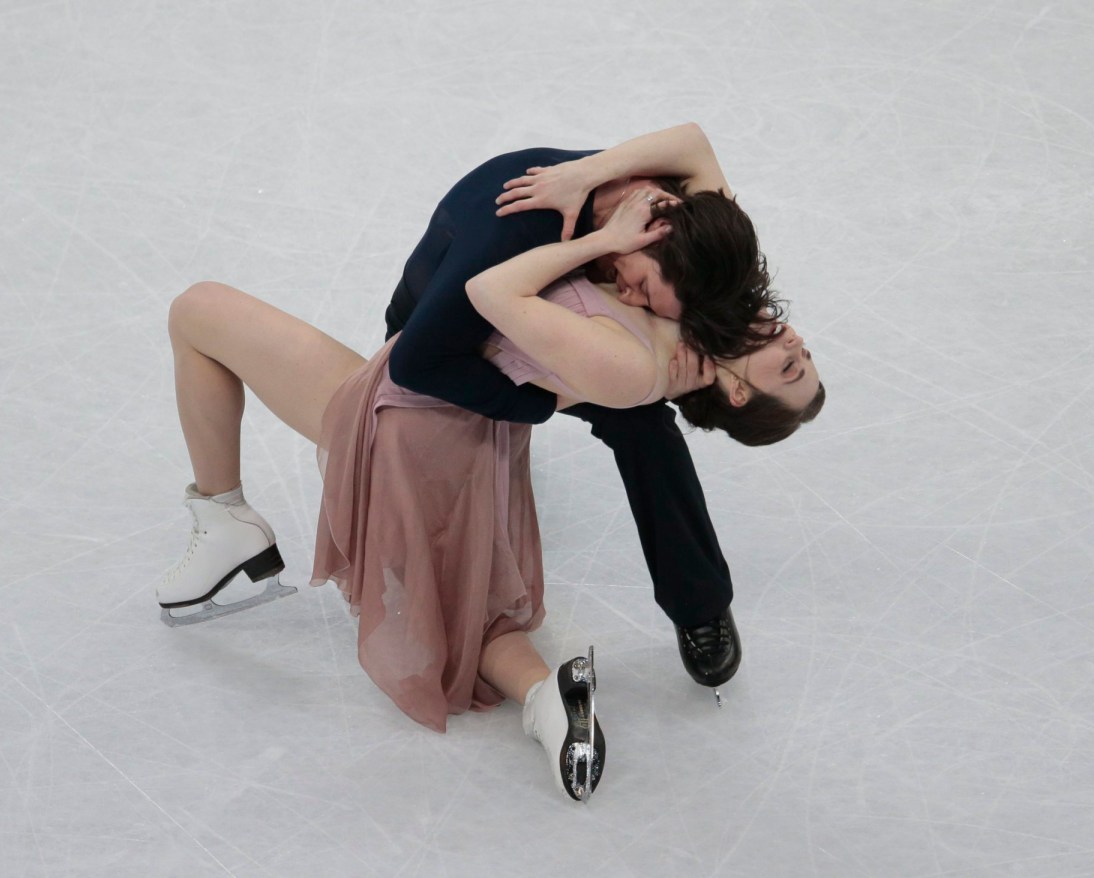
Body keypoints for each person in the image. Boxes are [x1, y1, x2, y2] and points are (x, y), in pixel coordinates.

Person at [155, 191, 823, 801]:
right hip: (463, 429)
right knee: (467, 611)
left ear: (738, 392)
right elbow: (694, 152)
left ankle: (222, 517)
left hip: (410, 409)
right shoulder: (689, 302)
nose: (793, 341)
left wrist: (598, 240)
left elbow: (491, 292)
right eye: (804, 350)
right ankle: (546, 701)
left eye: (790, 366)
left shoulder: (643, 364)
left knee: (198, 308)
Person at [383, 123, 805, 697]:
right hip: (457, 345)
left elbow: (693, 146)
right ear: (643, 235)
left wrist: (588, 173)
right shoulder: (518, 235)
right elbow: (417, 362)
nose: (636, 301)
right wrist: (551, 399)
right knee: (629, 404)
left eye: (652, 305)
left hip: (551, 307)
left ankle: (699, 602)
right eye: (651, 295)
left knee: (645, 423)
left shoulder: (690, 224)